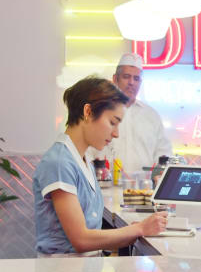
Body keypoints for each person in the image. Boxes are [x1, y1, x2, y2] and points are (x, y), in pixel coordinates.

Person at [33, 77, 167, 256]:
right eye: (113, 122)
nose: (116, 133)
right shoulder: (59, 163)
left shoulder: (82, 160)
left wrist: (130, 231)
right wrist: (139, 229)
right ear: (88, 112)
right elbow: (81, 239)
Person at [91, 52, 172, 175]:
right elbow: (88, 151)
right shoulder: (100, 111)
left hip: (144, 190)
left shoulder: (151, 116)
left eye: (136, 78)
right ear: (115, 79)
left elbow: (163, 154)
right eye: (126, 76)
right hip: (105, 188)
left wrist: (157, 176)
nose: (131, 82)